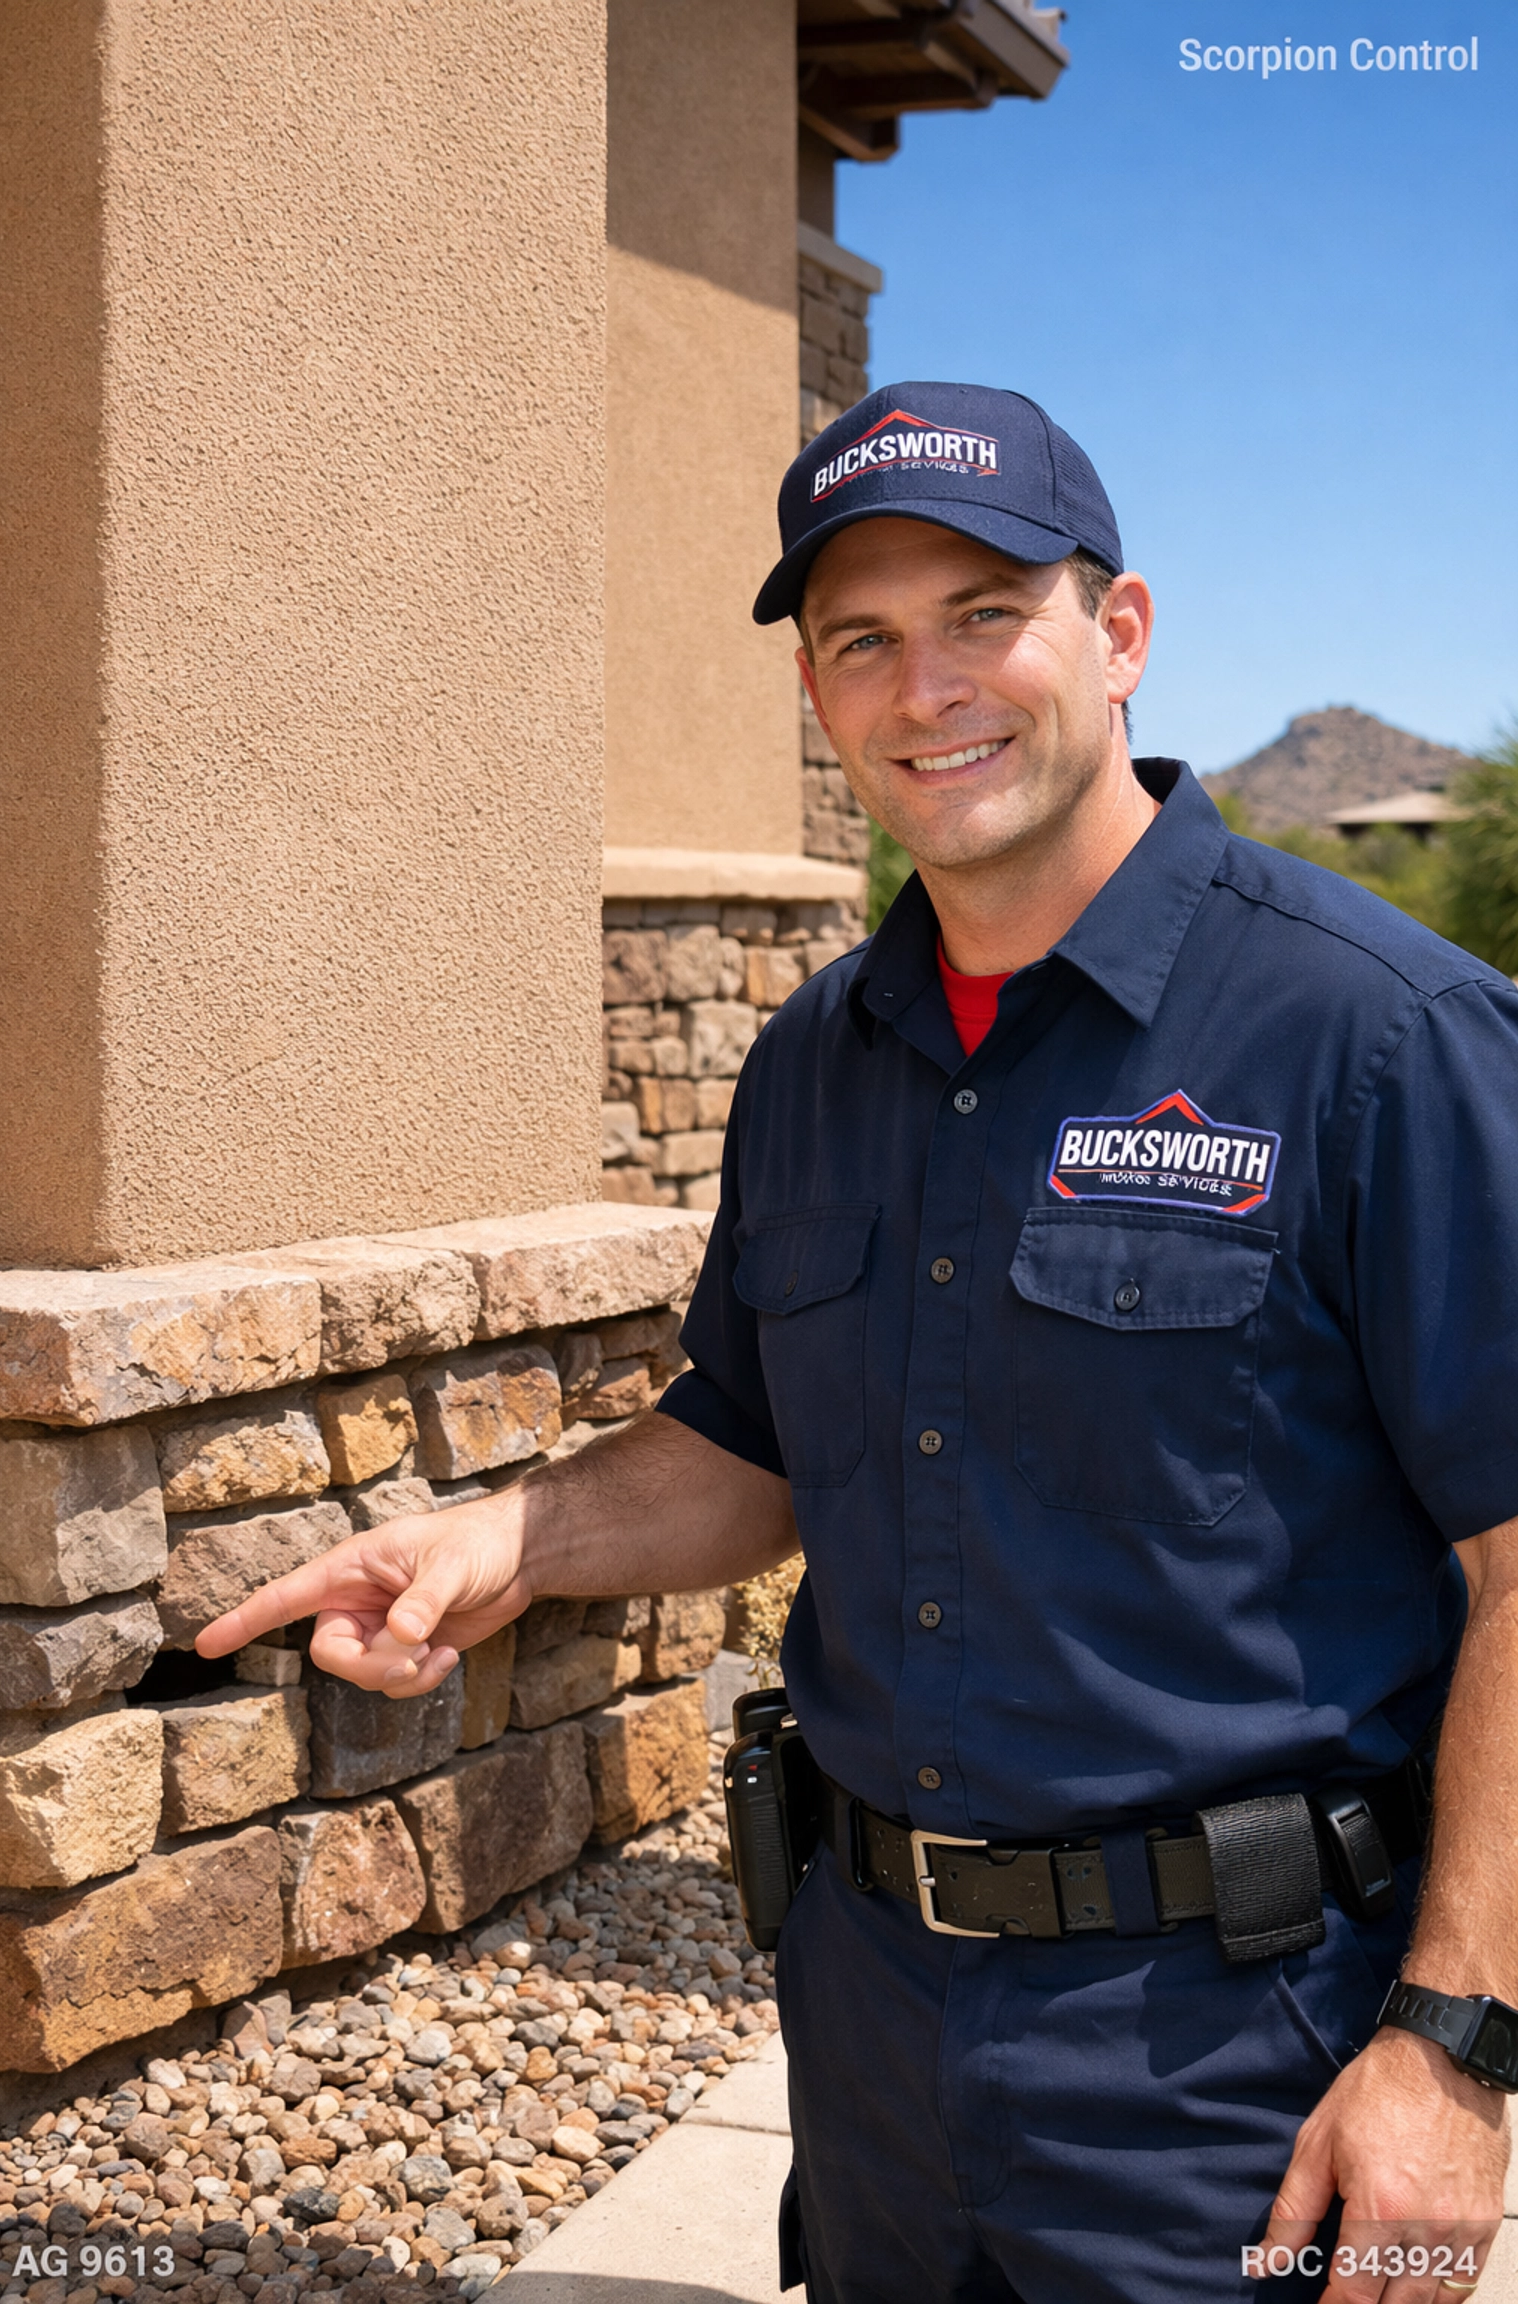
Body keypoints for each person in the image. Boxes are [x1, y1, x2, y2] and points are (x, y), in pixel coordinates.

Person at [199, 382, 1518, 2304]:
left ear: (1120, 630)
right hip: (873, 2024)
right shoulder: (818, 1060)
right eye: (863, 641)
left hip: (1238, 2056)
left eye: (986, 612)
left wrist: (1460, 2047)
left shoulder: (1381, 1036)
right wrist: (507, 1540)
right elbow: (751, 1442)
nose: (929, 689)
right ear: (818, 693)